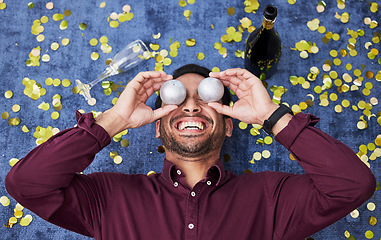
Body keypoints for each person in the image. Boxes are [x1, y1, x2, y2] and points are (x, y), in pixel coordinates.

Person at [5, 64, 376, 240]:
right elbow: (26, 184)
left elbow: (353, 185)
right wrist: (115, 118)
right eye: (178, 100)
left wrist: (270, 115)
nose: (192, 107)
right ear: (158, 127)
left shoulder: (272, 199)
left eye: (206, 99)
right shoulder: (110, 198)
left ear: (228, 124)